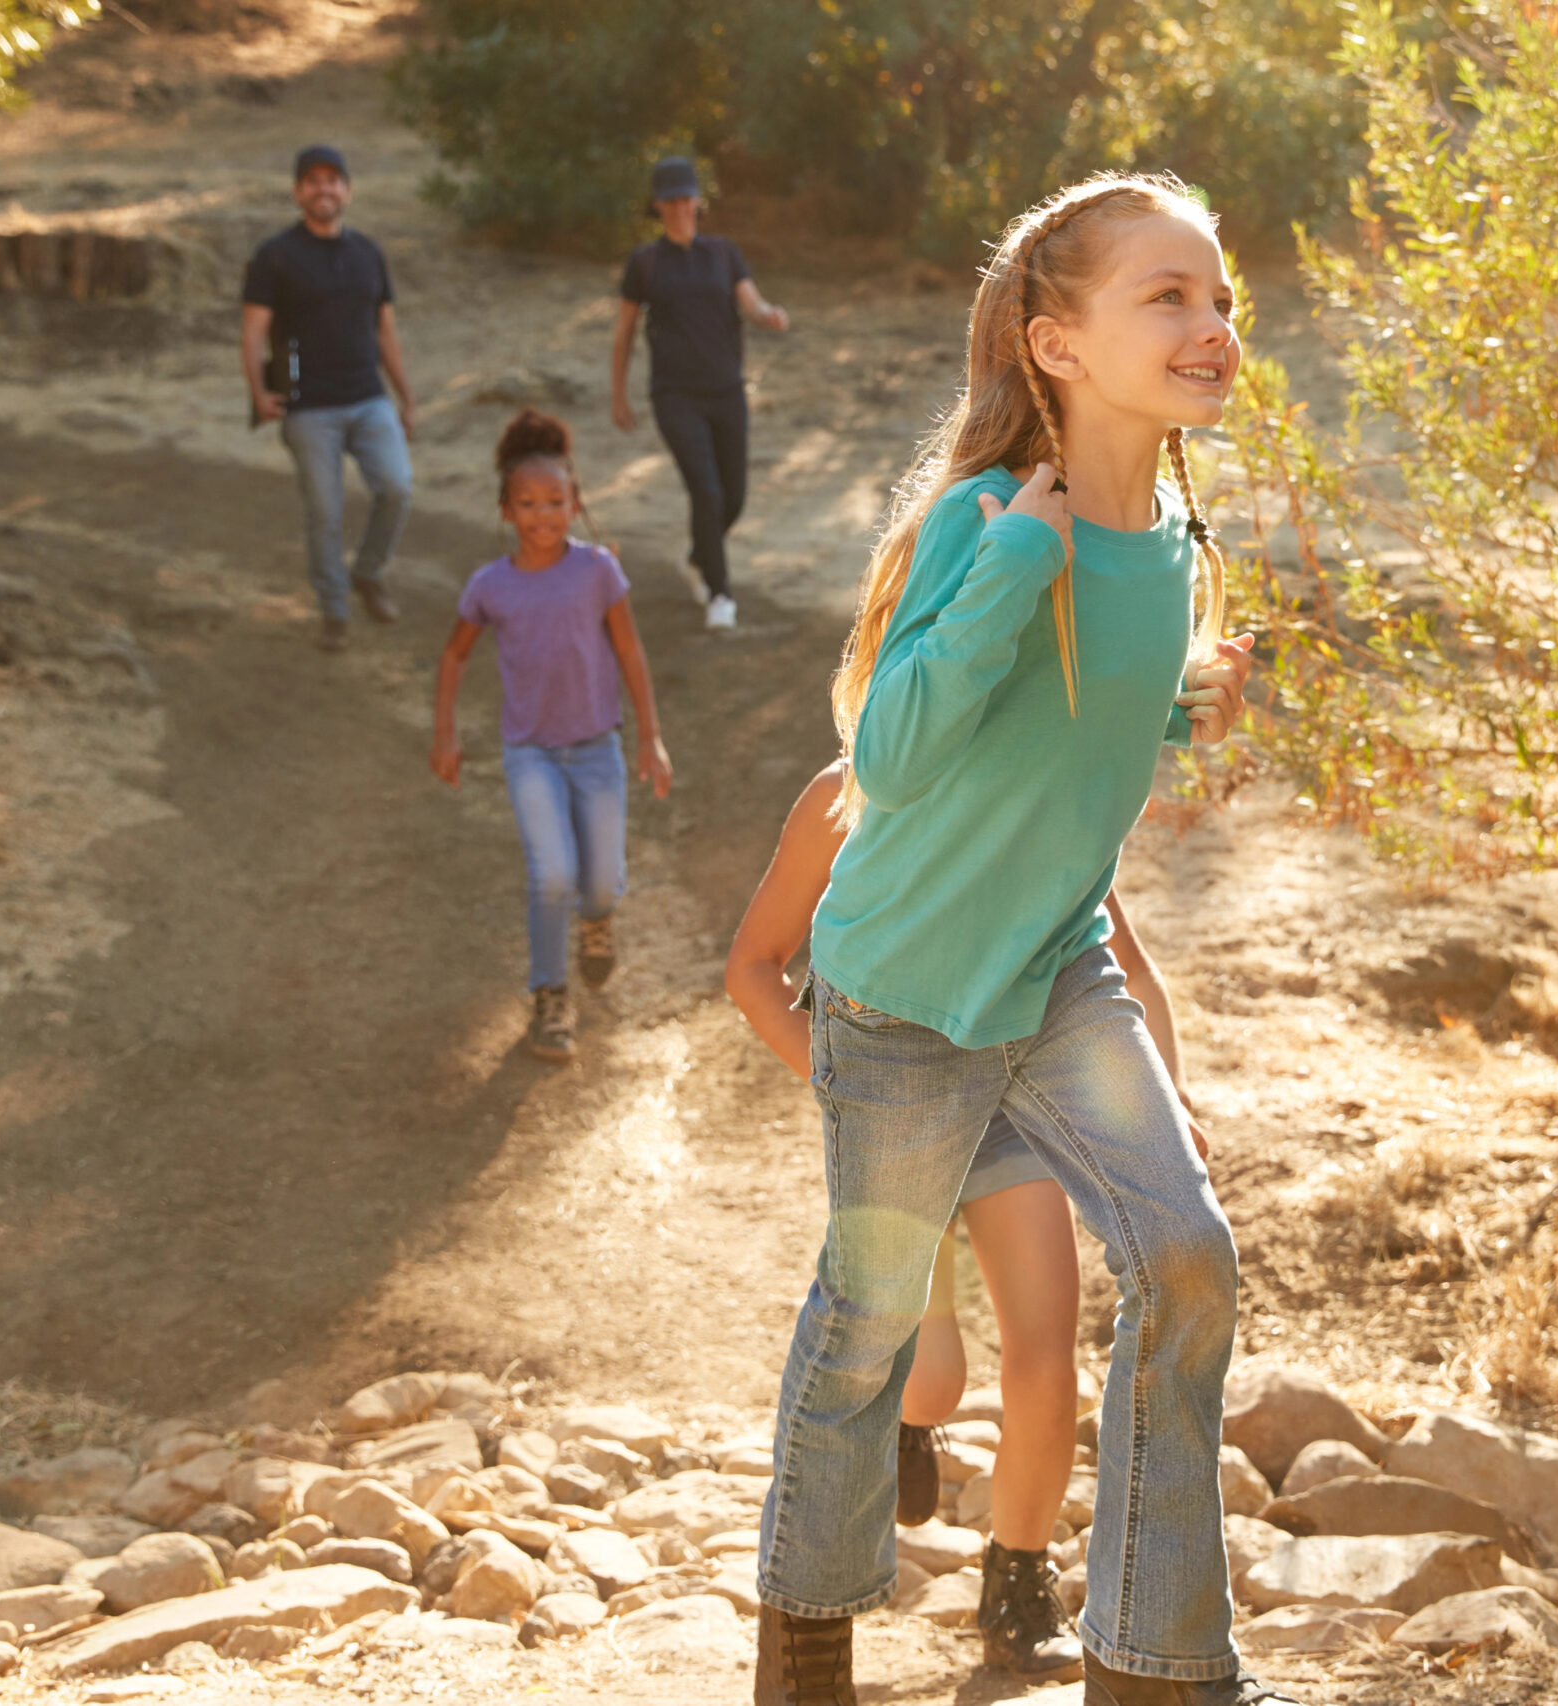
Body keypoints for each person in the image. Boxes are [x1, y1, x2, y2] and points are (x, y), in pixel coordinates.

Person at [747, 171, 1279, 1706]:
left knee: (1187, 1259)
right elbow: (895, 759)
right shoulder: (987, 521)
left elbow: (1069, 747)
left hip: (1055, 974)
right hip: (902, 998)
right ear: (1056, 343)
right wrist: (1014, 572)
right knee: (864, 1330)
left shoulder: (1175, 537)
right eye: (1168, 297)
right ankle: (807, 1635)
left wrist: (1182, 688)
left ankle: (1156, 1657)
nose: (1212, 326)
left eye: (1221, 296)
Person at [726, 759, 1217, 1685]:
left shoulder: (1043, 781)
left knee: (1046, 1345)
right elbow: (752, 969)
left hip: (1016, 1108)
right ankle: (904, 1427)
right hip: (898, 1109)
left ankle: (1018, 1585)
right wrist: (838, 1086)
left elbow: (1128, 967)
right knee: (933, 1382)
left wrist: (1171, 1094)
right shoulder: (847, 795)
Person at [430, 411, 673, 1062]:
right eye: (528, 504)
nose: (543, 515)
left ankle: (599, 922)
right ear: (506, 509)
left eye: (555, 502)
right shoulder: (490, 586)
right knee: (552, 875)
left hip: (598, 749)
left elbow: (631, 652)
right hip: (530, 752)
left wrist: (650, 738)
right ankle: (551, 1000)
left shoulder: (597, 572)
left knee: (598, 884)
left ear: (576, 503)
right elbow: (454, 656)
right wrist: (445, 735)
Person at [241, 144, 418, 652]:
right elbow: (253, 333)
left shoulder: (368, 253)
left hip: (368, 397)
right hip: (307, 407)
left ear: (347, 190)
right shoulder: (275, 256)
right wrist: (259, 393)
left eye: (333, 180)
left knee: (397, 488)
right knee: (325, 510)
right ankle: (334, 609)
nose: (324, 189)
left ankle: (368, 572)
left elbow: (386, 331)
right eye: (312, 181)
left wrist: (405, 396)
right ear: (298, 192)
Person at [609, 156, 787, 633]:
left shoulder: (723, 253)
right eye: (671, 200)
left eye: (687, 198)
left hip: (726, 391)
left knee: (734, 496)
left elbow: (750, 300)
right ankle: (719, 593)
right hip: (675, 396)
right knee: (705, 491)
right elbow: (624, 332)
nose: (681, 207)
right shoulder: (644, 263)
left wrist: (768, 314)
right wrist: (618, 395)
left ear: (697, 202)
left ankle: (696, 558)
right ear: (658, 206)